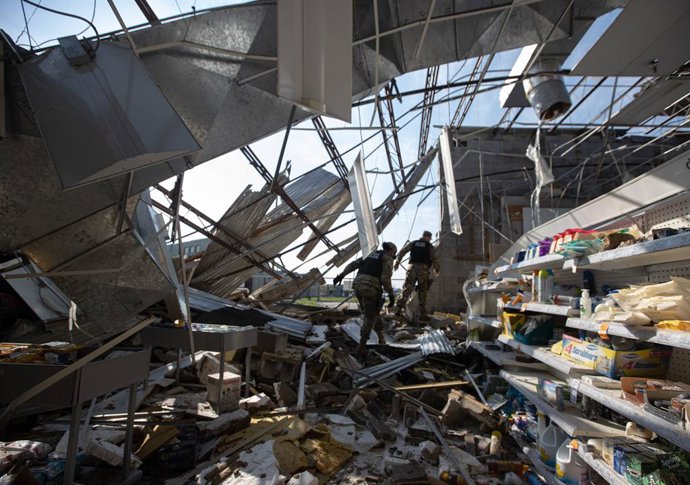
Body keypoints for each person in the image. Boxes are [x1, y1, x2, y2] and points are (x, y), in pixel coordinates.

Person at [333, 242, 397, 357]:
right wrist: (391, 294)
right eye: (394, 254)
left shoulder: (370, 254)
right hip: (370, 287)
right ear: (392, 251)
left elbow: (353, 264)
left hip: (357, 285)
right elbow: (385, 278)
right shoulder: (388, 257)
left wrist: (341, 275)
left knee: (373, 312)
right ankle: (361, 347)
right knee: (370, 316)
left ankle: (381, 339)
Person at [394, 231, 440, 320]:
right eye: (430, 239)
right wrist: (436, 268)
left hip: (411, 268)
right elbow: (435, 257)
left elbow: (402, 251)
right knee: (423, 292)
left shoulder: (413, 243)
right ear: (427, 237)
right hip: (423, 270)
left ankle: (398, 310)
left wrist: (397, 262)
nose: (430, 240)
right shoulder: (429, 246)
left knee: (407, 289)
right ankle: (422, 314)